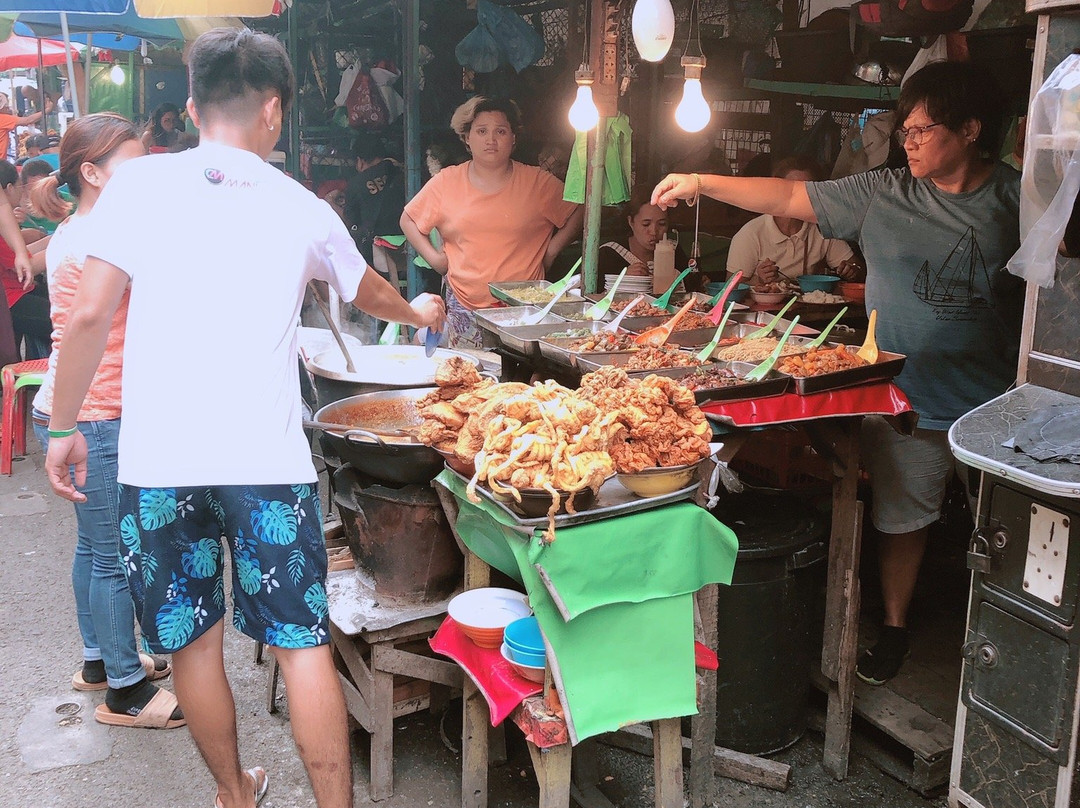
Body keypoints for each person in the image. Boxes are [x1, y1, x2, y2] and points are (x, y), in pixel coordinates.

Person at [43, 28, 445, 808]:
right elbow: (370, 295)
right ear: (275, 111)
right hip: (267, 466)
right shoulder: (300, 205)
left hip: (159, 466)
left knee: (194, 642)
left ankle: (234, 793)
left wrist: (62, 430)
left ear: (193, 107)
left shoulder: (136, 187)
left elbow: (89, 316)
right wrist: (421, 308)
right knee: (300, 646)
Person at [652, 61, 1023, 686]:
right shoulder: (886, 190)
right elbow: (787, 196)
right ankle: (898, 628)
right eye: (903, 128)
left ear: (969, 130)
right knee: (903, 521)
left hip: (994, 404)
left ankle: (1007, 646)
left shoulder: (1015, 197)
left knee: (1005, 534)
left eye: (922, 129)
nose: (907, 141)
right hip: (903, 397)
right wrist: (698, 180)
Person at [28, 112, 182, 730]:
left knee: (94, 547)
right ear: (91, 173)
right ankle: (124, 690)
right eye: (131, 164)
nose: (144, 173)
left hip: (71, 411)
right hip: (92, 415)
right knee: (113, 555)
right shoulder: (102, 238)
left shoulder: (80, 228)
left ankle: (98, 661)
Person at [400, 95, 583, 347]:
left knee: (518, 385)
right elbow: (408, 219)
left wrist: (550, 251)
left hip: (525, 310)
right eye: (482, 131)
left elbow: (578, 212)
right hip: (464, 306)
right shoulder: (446, 182)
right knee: (466, 378)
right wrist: (437, 260)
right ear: (467, 138)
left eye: (501, 131)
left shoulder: (537, 182)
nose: (491, 140)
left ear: (513, 139)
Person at [726, 155, 861, 285]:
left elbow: (857, 267)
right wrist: (759, 280)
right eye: (791, 189)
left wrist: (852, 270)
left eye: (807, 190)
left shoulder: (822, 228)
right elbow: (729, 290)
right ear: (775, 190)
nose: (800, 197)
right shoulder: (751, 234)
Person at [0, 160, 51, 358]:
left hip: (16, 292)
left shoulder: (8, 217)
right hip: (12, 297)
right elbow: (28, 265)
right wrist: (65, 243)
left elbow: (2, 204)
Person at [599, 184, 694, 288]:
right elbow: (592, 296)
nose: (653, 232)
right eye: (646, 224)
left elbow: (690, 286)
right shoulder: (609, 254)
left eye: (662, 224)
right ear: (631, 222)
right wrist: (624, 280)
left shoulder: (673, 250)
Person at [342, 133, 405, 264]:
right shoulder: (403, 171)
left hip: (374, 250)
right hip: (410, 243)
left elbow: (351, 221)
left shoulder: (356, 184)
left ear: (360, 161)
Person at [0, 93, 51, 161]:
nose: (8, 108)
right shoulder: (2, 119)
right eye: (6, 106)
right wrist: (47, 110)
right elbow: (28, 120)